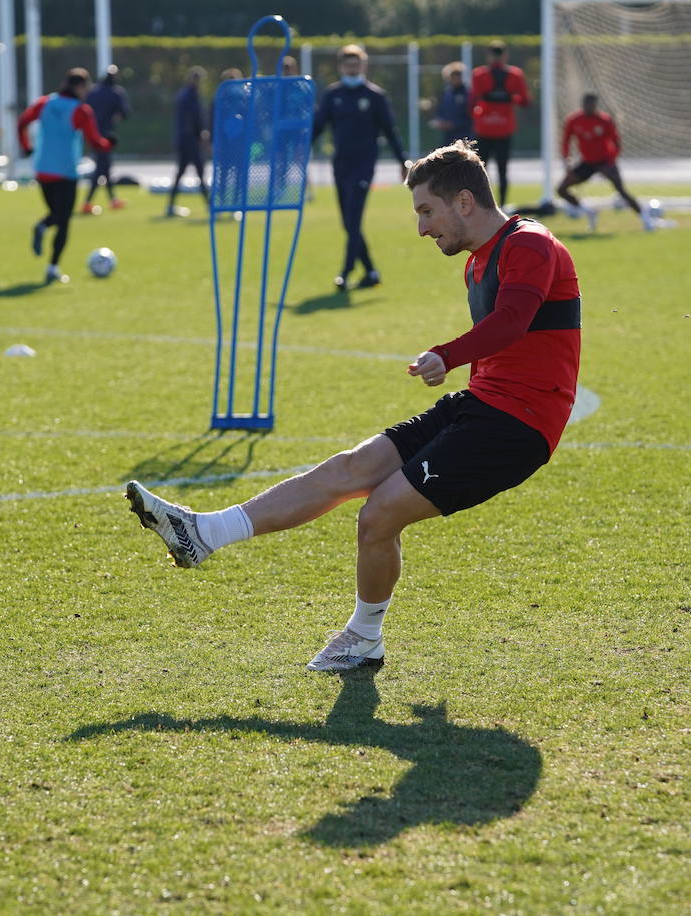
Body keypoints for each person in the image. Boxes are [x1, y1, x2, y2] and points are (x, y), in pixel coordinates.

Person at [125, 139, 581, 672]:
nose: (422, 228)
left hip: (518, 426)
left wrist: (446, 354)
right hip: (481, 406)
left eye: (426, 211)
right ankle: (203, 533)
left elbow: (513, 323)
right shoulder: (478, 262)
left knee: (379, 513)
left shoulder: (529, 245)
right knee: (350, 468)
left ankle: (364, 638)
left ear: (463, 201)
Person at [312, 44, 407, 291]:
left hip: (364, 165)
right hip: (340, 164)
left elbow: (390, 131)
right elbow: (317, 127)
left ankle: (345, 272)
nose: (352, 69)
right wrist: (297, 150)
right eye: (348, 65)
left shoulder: (375, 96)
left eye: (356, 65)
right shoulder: (333, 95)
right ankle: (371, 272)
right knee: (348, 222)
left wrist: (402, 161)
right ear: (341, 67)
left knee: (354, 218)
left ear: (364, 66)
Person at [17, 68, 115, 284]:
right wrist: (109, 143)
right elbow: (95, 142)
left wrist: (26, 146)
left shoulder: (44, 103)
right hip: (65, 171)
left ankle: (42, 227)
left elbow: (22, 122)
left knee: (56, 214)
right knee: (63, 220)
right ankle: (52, 267)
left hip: (43, 170)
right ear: (79, 87)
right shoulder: (81, 111)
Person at [558, 93, 650, 232]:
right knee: (561, 190)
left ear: (596, 106)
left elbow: (616, 143)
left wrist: (610, 162)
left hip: (605, 162)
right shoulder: (574, 120)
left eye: (592, 105)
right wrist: (567, 160)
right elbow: (566, 141)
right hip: (587, 162)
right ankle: (589, 211)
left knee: (621, 191)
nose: (589, 107)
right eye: (587, 104)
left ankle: (646, 219)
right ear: (583, 104)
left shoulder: (604, 120)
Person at [469, 40, 529, 208]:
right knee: (501, 170)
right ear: (505, 55)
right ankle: (501, 206)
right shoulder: (515, 75)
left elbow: (472, 101)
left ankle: (482, 205)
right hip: (503, 128)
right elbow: (525, 100)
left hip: (486, 128)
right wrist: (510, 98)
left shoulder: (479, 74)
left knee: (480, 170)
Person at [82, 65, 130, 213]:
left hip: (92, 133)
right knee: (101, 168)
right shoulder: (116, 92)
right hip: (107, 135)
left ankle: (113, 200)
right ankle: (87, 202)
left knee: (105, 167)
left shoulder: (93, 91)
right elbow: (124, 113)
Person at [167, 67, 210, 218]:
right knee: (198, 173)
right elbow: (191, 120)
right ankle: (209, 205)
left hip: (186, 140)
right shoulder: (189, 97)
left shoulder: (187, 95)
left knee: (183, 173)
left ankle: (171, 205)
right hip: (190, 141)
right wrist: (200, 135)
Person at [431, 61, 472, 144]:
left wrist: (455, 124)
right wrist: (440, 121)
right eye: (453, 76)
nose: (456, 78)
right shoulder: (446, 93)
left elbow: (471, 116)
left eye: (458, 75)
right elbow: (440, 110)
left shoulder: (469, 93)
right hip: (448, 136)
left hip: (465, 134)